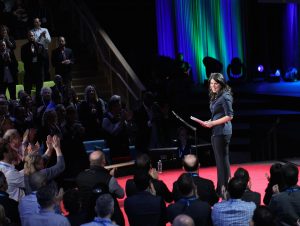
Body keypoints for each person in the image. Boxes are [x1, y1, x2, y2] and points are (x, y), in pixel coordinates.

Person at [192, 73, 233, 195]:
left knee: (221, 161)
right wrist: (210, 122)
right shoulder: (217, 96)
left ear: (221, 84)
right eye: (211, 84)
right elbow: (218, 114)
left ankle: (222, 189)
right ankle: (224, 187)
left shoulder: (225, 96)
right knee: (222, 160)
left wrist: (213, 123)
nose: (213, 86)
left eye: (216, 83)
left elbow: (229, 116)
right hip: (218, 130)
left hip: (222, 132)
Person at [21, 30, 46, 105]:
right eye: (30, 36)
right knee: (27, 93)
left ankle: (39, 107)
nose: (31, 37)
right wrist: (32, 56)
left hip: (39, 73)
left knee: (39, 94)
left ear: (34, 36)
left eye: (32, 35)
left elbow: (44, 58)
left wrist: (39, 53)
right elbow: (23, 59)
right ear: (27, 37)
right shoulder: (24, 47)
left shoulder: (40, 46)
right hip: (29, 72)